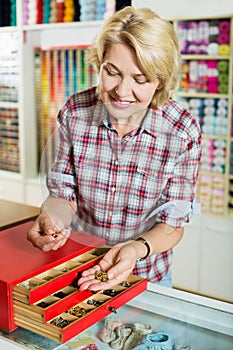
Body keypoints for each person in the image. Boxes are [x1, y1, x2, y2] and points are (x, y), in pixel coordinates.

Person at [27, 6, 201, 290]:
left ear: (159, 82)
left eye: (140, 79)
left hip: (145, 274)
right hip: (77, 265)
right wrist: (52, 221)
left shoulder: (182, 131)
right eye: (112, 72)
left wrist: (134, 249)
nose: (122, 91)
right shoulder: (75, 112)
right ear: (100, 64)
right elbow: (63, 195)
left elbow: (173, 224)